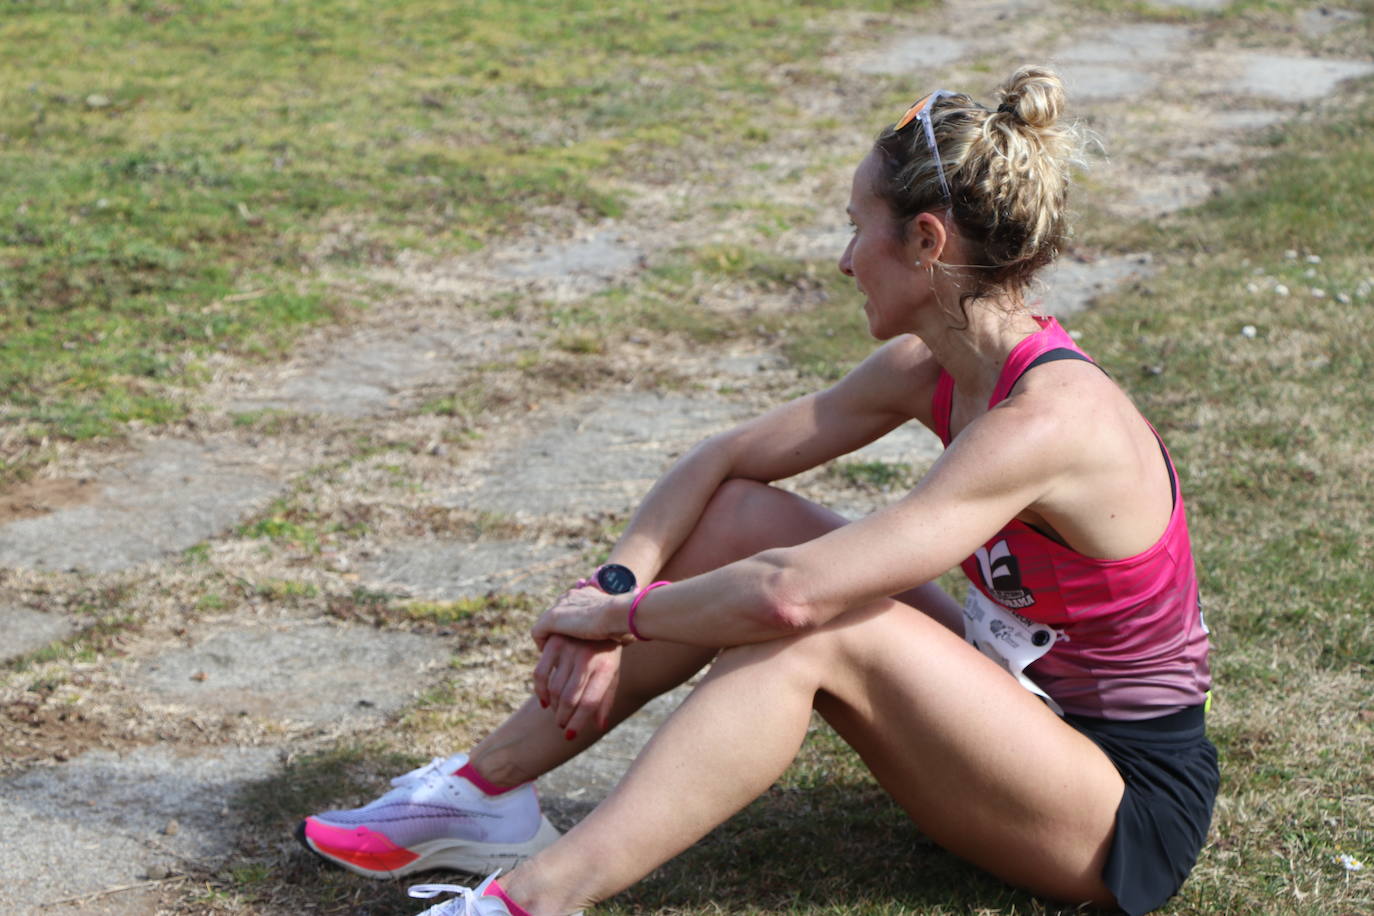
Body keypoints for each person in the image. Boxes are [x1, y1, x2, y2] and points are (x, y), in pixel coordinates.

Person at [297, 66, 1217, 916]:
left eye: (858, 226)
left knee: (814, 630)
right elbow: (722, 461)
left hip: (1119, 809)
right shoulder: (930, 363)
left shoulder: (1048, 420)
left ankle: (529, 901)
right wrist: (614, 587)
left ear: (926, 241)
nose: (844, 257)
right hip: (1015, 714)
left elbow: (790, 597)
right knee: (741, 517)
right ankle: (487, 789)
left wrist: (622, 621)